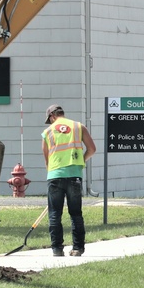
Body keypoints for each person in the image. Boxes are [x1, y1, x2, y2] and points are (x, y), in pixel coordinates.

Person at [42, 104, 97, 257]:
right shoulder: (79, 127)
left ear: (52, 116)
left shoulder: (47, 132)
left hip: (54, 176)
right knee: (75, 214)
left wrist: (53, 175)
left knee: (54, 214)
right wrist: (81, 161)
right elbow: (92, 149)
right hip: (74, 175)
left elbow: (47, 160)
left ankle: (57, 249)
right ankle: (78, 248)